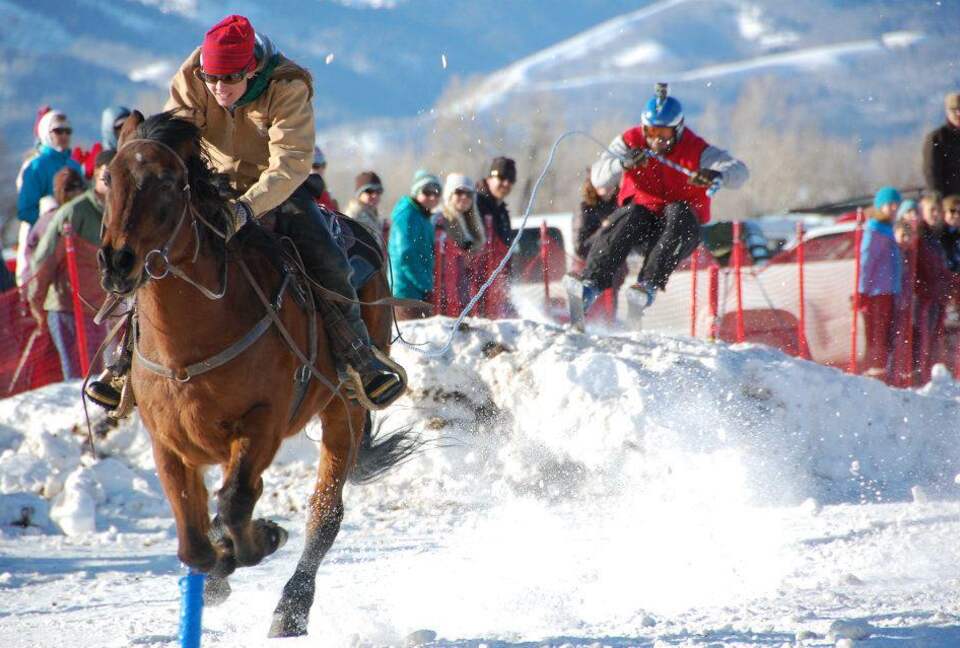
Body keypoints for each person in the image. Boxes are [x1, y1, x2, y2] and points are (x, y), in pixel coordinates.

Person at [85, 14, 405, 412]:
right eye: (212, 79)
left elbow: (290, 163)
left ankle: (360, 357)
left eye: (230, 79)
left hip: (276, 189)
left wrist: (246, 209)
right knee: (158, 251)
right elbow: (174, 136)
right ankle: (123, 364)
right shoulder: (194, 74)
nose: (218, 88)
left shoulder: (288, 86)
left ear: (252, 69)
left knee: (324, 254)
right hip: (209, 186)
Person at [564, 83, 748, 329]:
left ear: (678, 130)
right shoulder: (630, 142)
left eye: (664, 134)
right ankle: (590, 284)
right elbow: (598, 177)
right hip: (643, 226)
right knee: (632, 214)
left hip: (679, 233)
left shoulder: (696, 149)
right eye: (650, 132)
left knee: (678, 211)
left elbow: (740, 171)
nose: (656, 140)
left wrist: (716, 175)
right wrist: (622, 164)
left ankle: (646, 286)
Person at [27, 150, 114, 379]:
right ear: (96, 175)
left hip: (103, 310)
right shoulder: (75, 211)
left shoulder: (121, 212)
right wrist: (36, 303)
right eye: (108, 176)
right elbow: (44, 260)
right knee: (78, 378)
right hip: (69, 309)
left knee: (102, 378)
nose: (114, 182)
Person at [15, 110, 82, 286]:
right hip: (43, 242)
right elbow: (26, 209)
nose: (64, 135)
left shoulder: (74, 165)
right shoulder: (36, 166)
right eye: (58, 130)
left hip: (75, 238)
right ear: (46, 132)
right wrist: (51, 224)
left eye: (68, 131)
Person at [858, 187, 903, 380]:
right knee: (878, 334)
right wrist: (863, 290)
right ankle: (875, 372)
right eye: (889, 204)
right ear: (880, 206)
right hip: (877, 291)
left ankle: (882, 370)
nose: (893, 208)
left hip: (889, 289)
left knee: (886, 334)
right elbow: (867, 260)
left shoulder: (887, 228)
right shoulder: (875, 228)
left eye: (896, 205)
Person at [387, 170, 441, 320]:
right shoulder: (407, 214)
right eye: (427, 191)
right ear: (416, 191)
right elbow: (406, 254)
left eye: (436, 192)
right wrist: (425, 284)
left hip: (415, 290)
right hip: (405, 292)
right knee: (410, 340)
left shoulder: (422, 215)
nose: (432, 196)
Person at [433, 173, 485, 316]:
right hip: (446, 294)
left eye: (469, 194)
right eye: (459, 192)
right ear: (449, 194)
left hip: (463, 292)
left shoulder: (469, 224)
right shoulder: (440, 220)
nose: (464, 197)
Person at [22, 166, 86, 280]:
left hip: (86, 287)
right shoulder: (47, 221)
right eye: (70, 190)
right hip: (57, 288)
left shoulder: (87, 215)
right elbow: (34, 258)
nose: (76, 196)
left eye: (79, 189)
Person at [913, 193, 951, 383]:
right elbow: (921, 269)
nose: (936, 214)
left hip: (937, 296)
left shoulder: (934, 237)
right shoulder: (919, 236)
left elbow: (940, 267)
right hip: (924, 298)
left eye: (938, 210)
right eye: (931, 210)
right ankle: (919, 377)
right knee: (922, 339)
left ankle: (928, 378)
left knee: (933, 340)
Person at [923, 91, 960, 198]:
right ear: (947, 112)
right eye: (954, 110)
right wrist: (937, 197)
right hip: (951, 201)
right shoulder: (937, 138)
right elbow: (931, 171)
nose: (959, 113)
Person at [309, 146, 339, 211]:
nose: (320, 169)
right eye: (315, 166)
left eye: (323, 165)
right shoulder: (301, 193)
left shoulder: (327, 194)